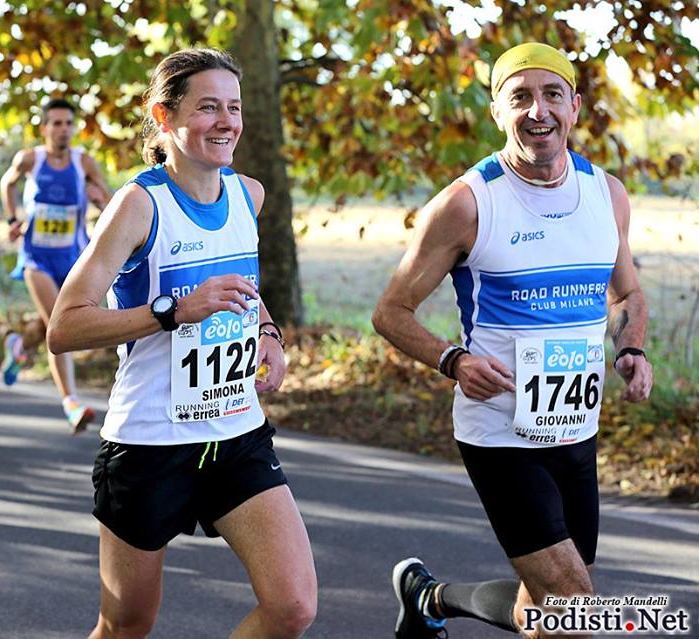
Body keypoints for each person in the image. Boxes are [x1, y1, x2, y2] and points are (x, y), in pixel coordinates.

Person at [371, 43, 653, 639]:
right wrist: (454, 359)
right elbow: (391, 312)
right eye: (519, 96)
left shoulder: (608, 194)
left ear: (574, 107)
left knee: (550, 615)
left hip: (575, 432)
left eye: (552, 94)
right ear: (496, 109)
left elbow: (626, 295)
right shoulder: (467, 204)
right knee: (578, 604)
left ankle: (430, 599)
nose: (538, 110)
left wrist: (632, 349)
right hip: (499, 430)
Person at [48, 48, 317, 638]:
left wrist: (268, 333)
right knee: (126, 626)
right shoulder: (139, 205)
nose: (227, 121)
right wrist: (173, 311)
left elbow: (242, 285)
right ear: (163, 116)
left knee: (292, 607)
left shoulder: (249, 195)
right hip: (149, 444)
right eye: (208, 108)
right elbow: (64, 326)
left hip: (235, 431)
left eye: (235, 108)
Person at [0, 97, 112, 433]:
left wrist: (99, 199)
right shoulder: (30, 159)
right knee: (59, 327)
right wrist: (11, 218)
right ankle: (71, 402)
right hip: (36, 258)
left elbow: (109, 205)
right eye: (56, 123)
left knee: (51, 322)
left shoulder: (84, 162)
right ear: (45, 128)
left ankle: (17, 345)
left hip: (74, 259)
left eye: (68, 123)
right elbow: (7, 182)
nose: (63, 130)